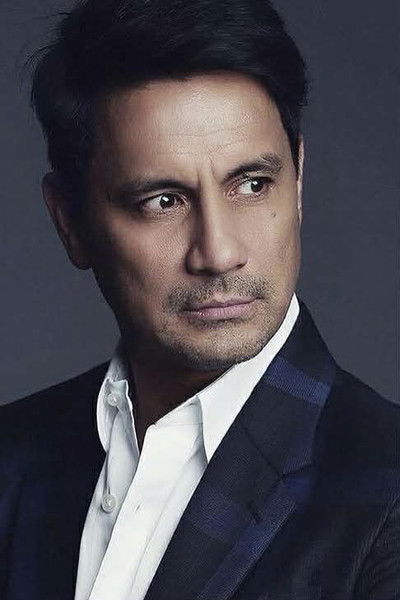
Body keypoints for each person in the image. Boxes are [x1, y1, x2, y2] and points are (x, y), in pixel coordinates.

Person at [0, 0, 398, 598]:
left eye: (252, 185)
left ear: (297, 182)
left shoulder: (385, 489)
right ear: (70, 222)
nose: (218, 252)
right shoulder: (14, 456)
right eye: (163, 201)